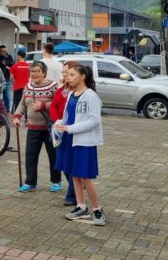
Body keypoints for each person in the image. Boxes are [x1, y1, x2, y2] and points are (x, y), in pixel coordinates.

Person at [54, 64, 106, 225]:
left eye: (71, 74)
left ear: (82, 76)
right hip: (70, 138)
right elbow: (67, 116)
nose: (67, 77)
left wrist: (70, 128)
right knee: (74, 173)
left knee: (85, 176)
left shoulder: (91, 96)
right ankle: (81, 207)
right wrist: (59, 123)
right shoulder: (71, 94)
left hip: (84, 141)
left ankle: (97, 211)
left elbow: (94, 121)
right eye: (66, 74)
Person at [13, 61, 60, 193]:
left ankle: (56, 181)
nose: (34, 74)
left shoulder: (53, 86)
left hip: (50, 128)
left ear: (44, 72)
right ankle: (30, 182)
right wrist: (17, 116)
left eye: (37, 71)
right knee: (31, 155)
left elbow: (59, 105)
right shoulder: (28, 86)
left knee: (53, 155)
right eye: (32, 71)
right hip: (33, 127)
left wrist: (43, 106)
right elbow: (22, 104)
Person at [50, 62, 79, 206]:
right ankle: (77, 187)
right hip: (60, 130)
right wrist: (56, 120)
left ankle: (72, 195)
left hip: (74, 130)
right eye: (64, 73)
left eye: (68, 73)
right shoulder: (62, 89)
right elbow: (54, 106)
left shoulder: (81, 91)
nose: (65, 76)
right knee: (63, 162)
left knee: (73, 164)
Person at [0, 45, 15, 112]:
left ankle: (7, 111)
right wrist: (1, 63)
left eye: (4, 51)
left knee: (7, 96)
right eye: (2, 51)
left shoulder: (9, 56)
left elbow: (13, 66)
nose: (3, 52)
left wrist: (6, 65)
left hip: (6, 79)